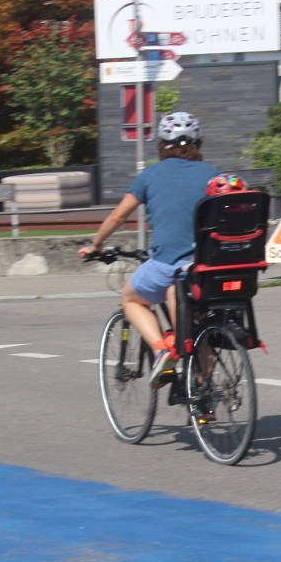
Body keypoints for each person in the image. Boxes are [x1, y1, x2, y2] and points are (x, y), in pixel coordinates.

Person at [79, 111, 219, 386]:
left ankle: (160, 350)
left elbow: (119, 216)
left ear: (161, 144)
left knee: (130, 298)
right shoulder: (213, 173)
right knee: (191, 318)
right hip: (208, 267)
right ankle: (206, 394)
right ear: (198, 143)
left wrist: (96, 245)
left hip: (170, 265)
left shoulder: (150, 175)